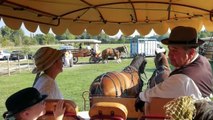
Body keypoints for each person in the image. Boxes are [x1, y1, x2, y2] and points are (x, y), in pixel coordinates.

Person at [135, 26, 213, 111]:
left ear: (191, 53)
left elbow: (149, 95)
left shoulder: (181, 79)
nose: (169, 55)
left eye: (174, 50)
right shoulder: (204, 61)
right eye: (169, 50)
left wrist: (140, 97)